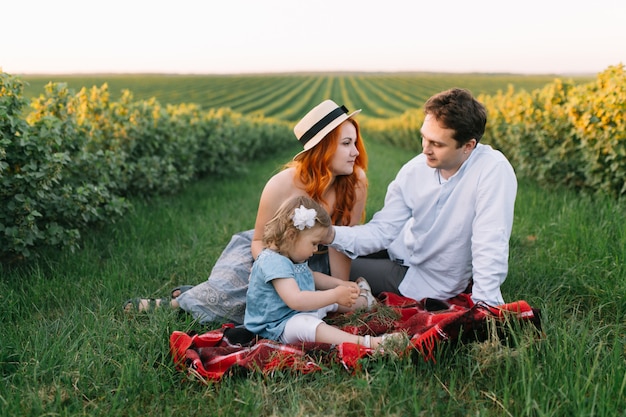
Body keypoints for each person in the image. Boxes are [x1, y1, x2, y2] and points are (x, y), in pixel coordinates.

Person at [124, 99, 369, 324]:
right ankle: (171, 305)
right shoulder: (281, 185)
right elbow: (260, 241)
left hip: (315, 257)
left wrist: (343, 287)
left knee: (333, 303)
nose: (355, 152)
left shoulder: (355, 182)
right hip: (271, 252)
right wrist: (276, 272)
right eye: (346, 144)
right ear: (322, 149)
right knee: (252, 290)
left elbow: (342, 243)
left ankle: (197, 295)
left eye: (354, 143)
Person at [325, 88, 517, 307]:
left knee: (323, 269)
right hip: (398, 247)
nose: (425, 149)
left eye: (437, 144)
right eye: (424, 138)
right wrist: (329, 233)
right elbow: (382, 230)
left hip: (425, 278)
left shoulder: (492, 170)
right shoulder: (415, 169)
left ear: (468, 146)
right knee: (321, 251)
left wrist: (485, 304)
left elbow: (490, 241)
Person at [244, 195, 395, 349]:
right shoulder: (273, 262)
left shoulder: (292, 255)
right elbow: (296, 300)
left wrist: (340, 284)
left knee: (326, 302)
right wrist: (334, 294)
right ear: (291, 236)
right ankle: (366, 343)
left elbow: (312, 276)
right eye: (314, 243)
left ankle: (364, 301)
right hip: (275, 326)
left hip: (294, 312)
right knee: (308, 324)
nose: (316, 249)